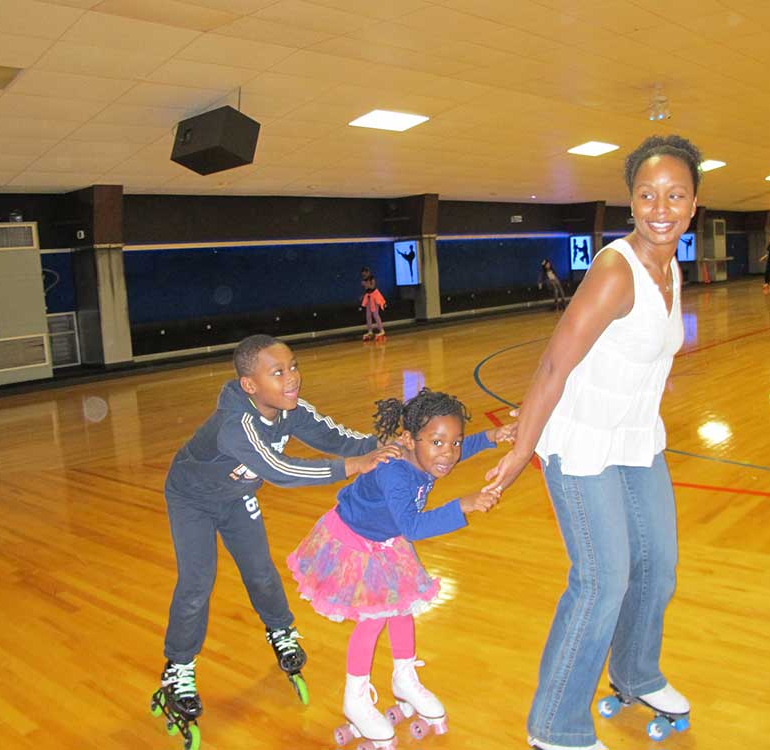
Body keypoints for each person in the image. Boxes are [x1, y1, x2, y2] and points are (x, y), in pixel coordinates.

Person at [483, 135, 699, 750]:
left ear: (693, 205)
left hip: (637, 440)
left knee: (657, 569)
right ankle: (555, 728)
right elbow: (554, 365)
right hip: (581, 445)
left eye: (674, 195)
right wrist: (525, 445)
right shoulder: (615, 269)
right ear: (630, 203)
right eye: (646, 195)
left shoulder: (671, 267)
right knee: (602, 579)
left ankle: (636, 673)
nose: (660, 207)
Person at [156, 334, 401, 730]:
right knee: (197, 582)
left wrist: (383, 445)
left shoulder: (291, 410)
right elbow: (280, 470)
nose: (292, 378)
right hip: (192, 500)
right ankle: (178, 667)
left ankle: (281, 631)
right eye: (278, 372)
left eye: (293, 366)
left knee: (260, 571)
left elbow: (335, 437)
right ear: (250, 386)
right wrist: (351, 467)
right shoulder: (235, 426)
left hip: (236, 497)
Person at [287, 389, 514, 748]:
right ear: (408, 439)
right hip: (354, 544)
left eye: (454, 442)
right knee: (374, 618)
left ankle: (404, 679)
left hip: (385, 541)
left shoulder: (428, 455)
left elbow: (454, 452)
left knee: (403, 606)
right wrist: (463, 506)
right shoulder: (396, 473)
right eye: (438, 442)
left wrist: (489, 437)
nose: (449, 453)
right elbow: (413, 527)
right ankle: (355, 697)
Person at [360, 272, 387, 341]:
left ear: (367, 272)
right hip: (369, 296)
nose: (364, 275)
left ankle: (381, 330)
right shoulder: (364, 280)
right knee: (368, 315)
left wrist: (366, 284)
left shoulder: (372, 278)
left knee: (375, 314)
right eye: (363, 274)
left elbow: (372, 287)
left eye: (365, 274)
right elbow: (367, 289)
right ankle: (370, 331)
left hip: (375, 296)